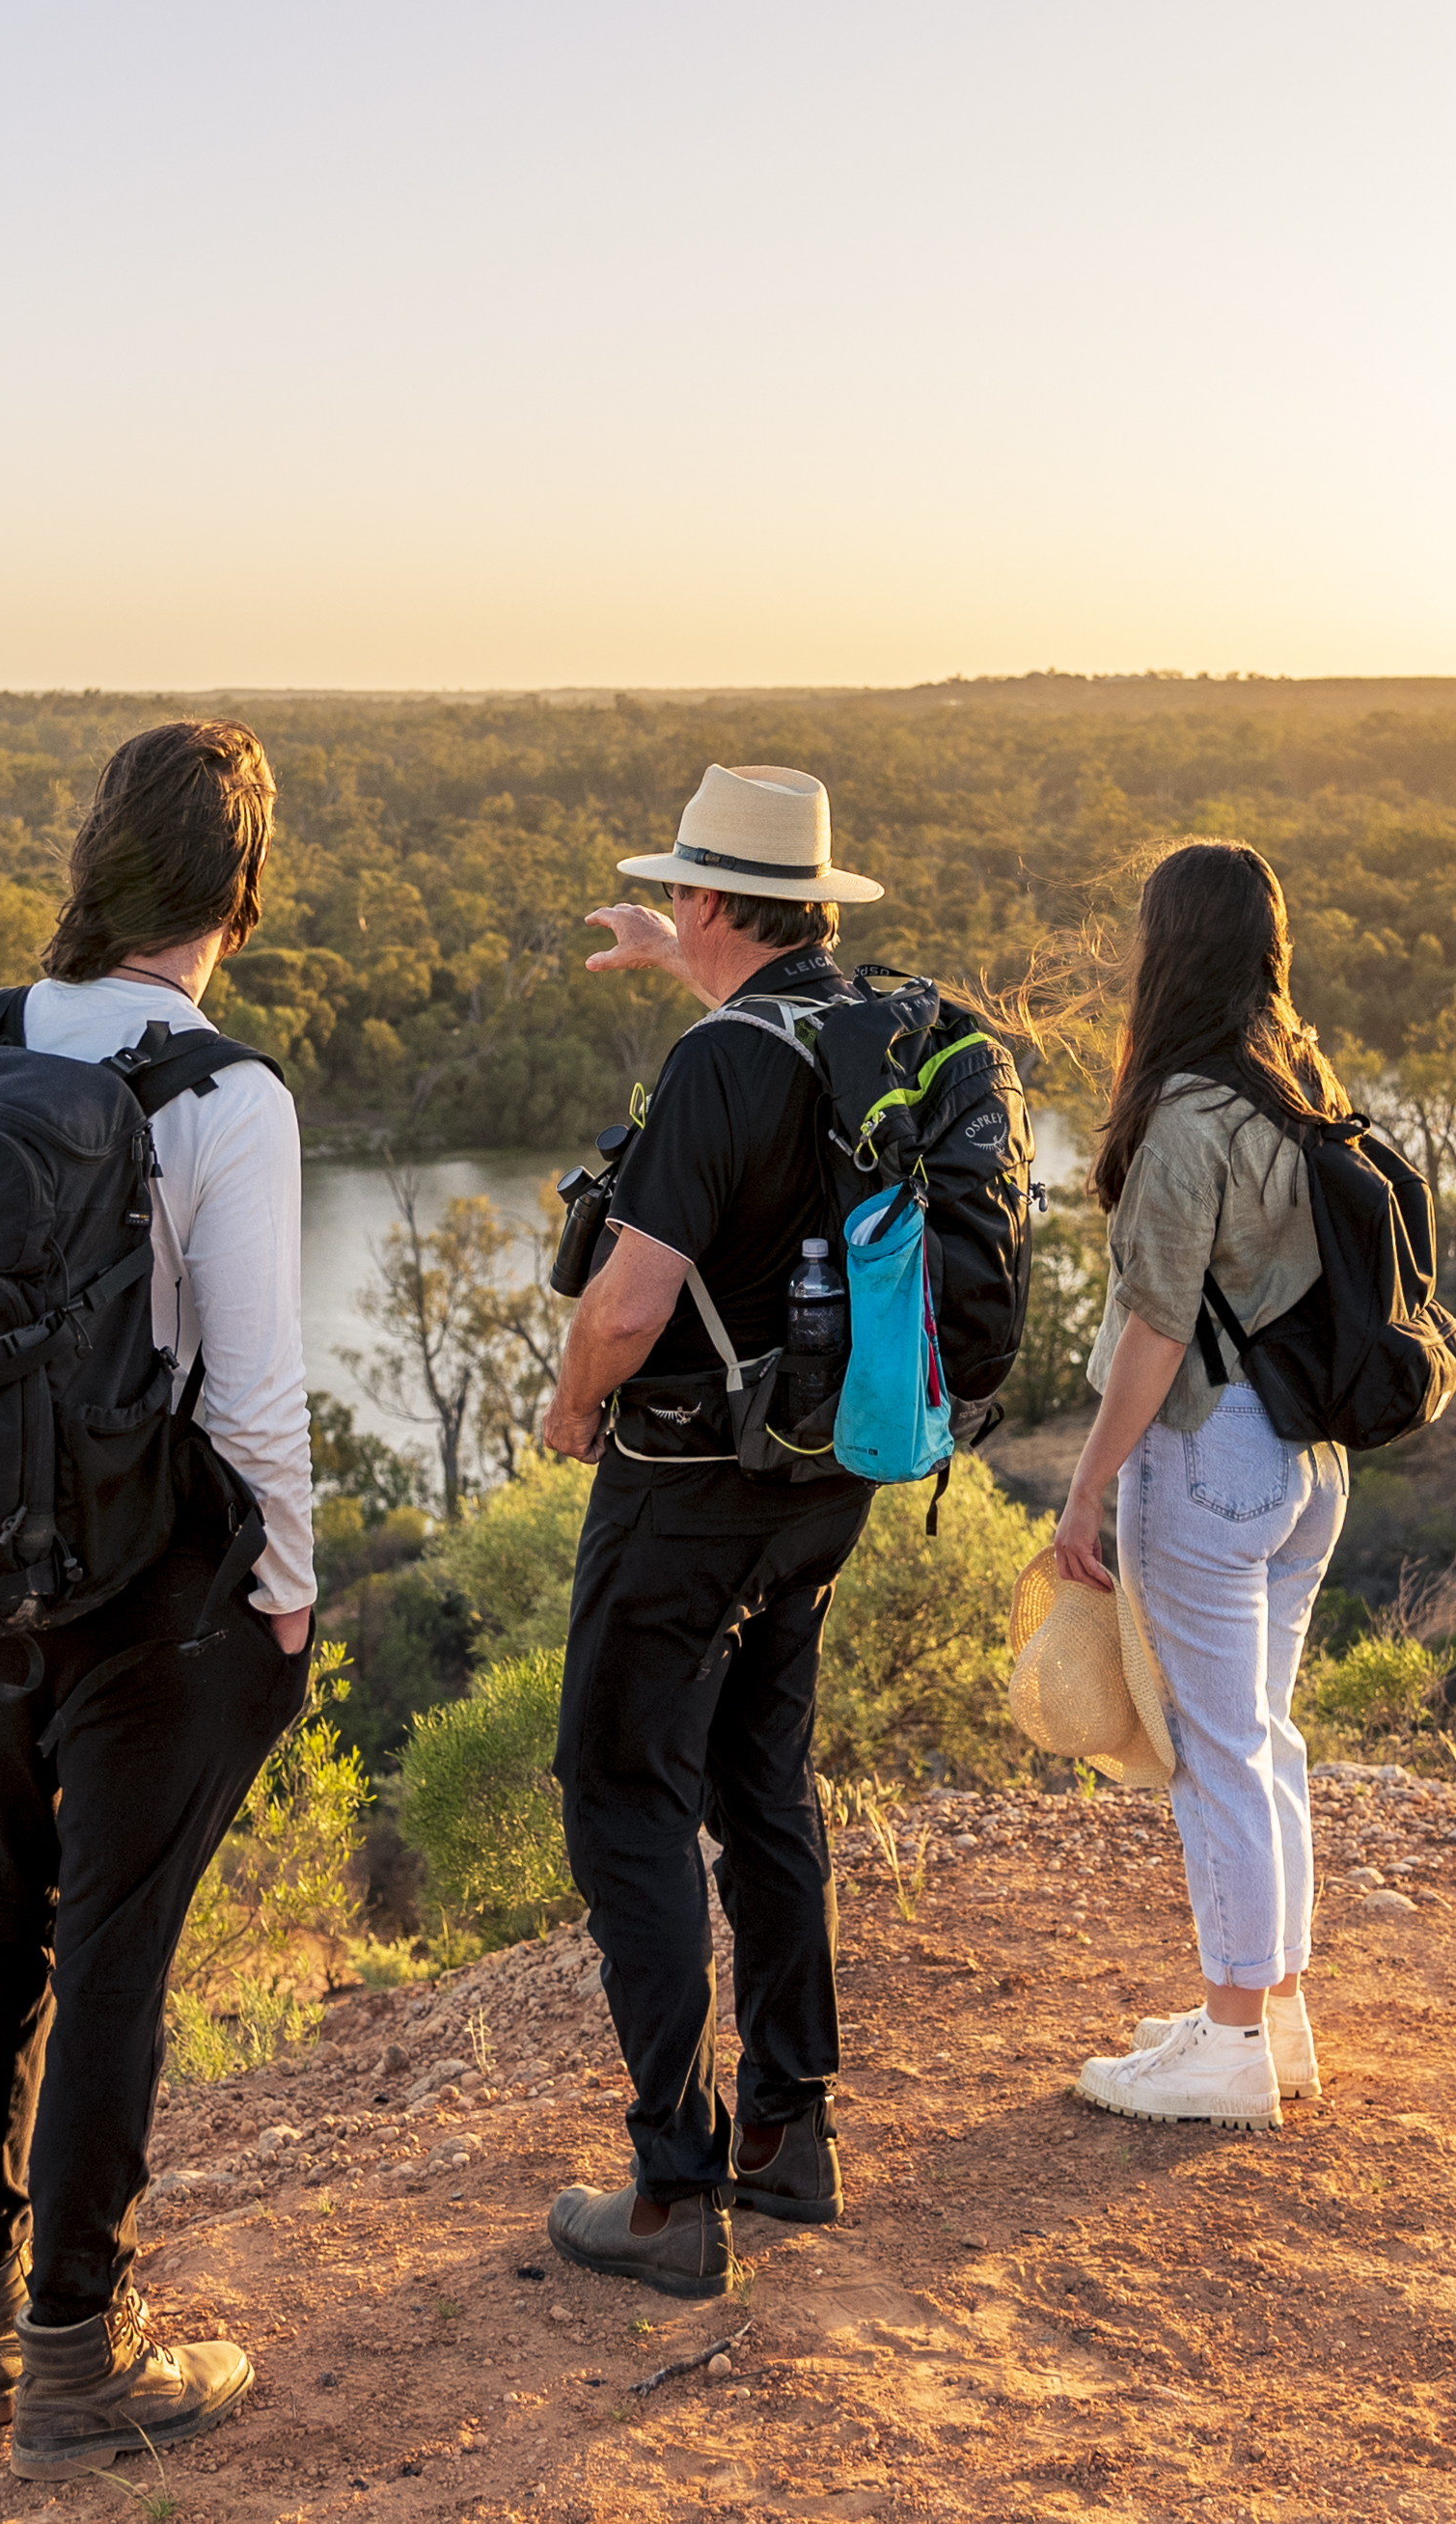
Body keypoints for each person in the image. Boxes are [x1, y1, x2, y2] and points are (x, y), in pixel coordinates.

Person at [0, 720, 318, 2478]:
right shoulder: (225, 1092)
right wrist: (287, 1592)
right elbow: (253, 1399)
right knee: (115, 1962)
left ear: (94, 858)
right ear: (239, 886)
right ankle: (82, 2356)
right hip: (149, 1593)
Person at [531, 762, 885, 2294]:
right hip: (821, 1483)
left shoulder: (710, 1069)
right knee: (761, 1775)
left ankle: (673, 2194)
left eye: (684, 894)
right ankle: (788, 2134)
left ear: (701, 895)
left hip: (683, 1488)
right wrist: (688, 955)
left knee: (623, 1789)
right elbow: (771, 1042)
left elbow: (625, 1301)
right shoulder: (863, 1035)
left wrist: (562, 1411)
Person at [1047, 838, 1352, 2128]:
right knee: (1261, 1739)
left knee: (1216, 1753)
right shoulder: (1300, 1079)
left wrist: (1085, 1484)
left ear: (1167, 949)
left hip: (1212, 1455)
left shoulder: (1185, 1113)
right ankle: (1267, 2018)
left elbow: (1157, 1328)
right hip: (1306, 1458)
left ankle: (1231, 2048)